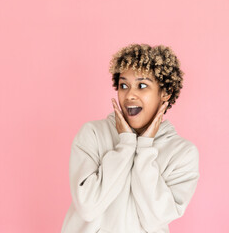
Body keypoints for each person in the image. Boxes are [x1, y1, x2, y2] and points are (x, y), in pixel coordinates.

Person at [61, 43, 200, 233]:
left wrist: (144, 148)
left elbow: (155, 219)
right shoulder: (92, 134)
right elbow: (88, 207)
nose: (129, 95)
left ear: (165, 93)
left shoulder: (182, 153)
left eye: (142, 86)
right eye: (123, 85)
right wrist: (126, 144)